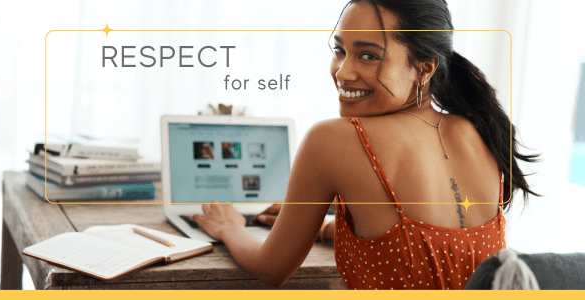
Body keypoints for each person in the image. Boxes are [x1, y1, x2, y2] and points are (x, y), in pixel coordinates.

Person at [191, 0, 539, 290]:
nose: (343, 72)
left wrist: (230, 227)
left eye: (369, 56)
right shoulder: (479, 129)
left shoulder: (334, 139)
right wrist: (324, 228)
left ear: (424, 69)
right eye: (340, 50)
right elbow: (439, 253)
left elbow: (271, 269)